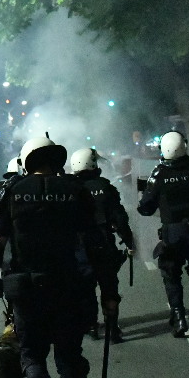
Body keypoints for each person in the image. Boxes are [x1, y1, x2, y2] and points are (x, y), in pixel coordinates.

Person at [0, 135, 110, 378]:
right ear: (56, 160)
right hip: (68, 289)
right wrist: (109, 292)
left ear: (27, 161)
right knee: (70, 362)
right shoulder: (75, 190)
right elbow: (97, 246)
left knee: (32, 357)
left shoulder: (13, 192)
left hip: (27, 292)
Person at [137, 131, 189, 337]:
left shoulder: (159, 174)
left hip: (172, 234)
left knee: (171, 274)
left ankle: (180, 319)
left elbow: (145, 208)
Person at [68, 147, 134, 344]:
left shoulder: (68, 189)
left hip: (80, 247)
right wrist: (128, 240)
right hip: (103, 243)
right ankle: (112, 328)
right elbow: (119, 217)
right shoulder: (105, 187)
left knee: (86, 288)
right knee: (109, 286)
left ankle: (91, 326)